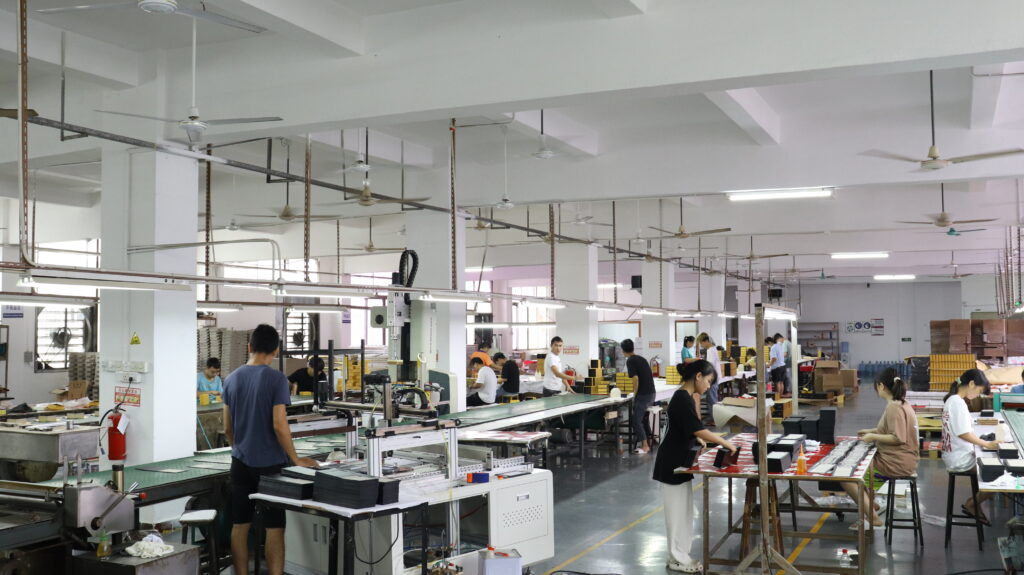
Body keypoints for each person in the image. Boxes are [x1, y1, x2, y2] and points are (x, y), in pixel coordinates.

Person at [223, 325, 319, 575]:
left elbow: (227, 428)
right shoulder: (276, 379)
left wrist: (239, 448)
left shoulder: (230, 379)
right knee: (274, 527)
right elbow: (279, 425)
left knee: (240, 524)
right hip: (270, 466)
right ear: (276, 351)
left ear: (249, 347)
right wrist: (295, 458)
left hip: (240, 463)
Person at [653, 360, 737, 573]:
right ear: (698, 376)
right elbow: (697, 428)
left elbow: (688, 428)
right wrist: (725, 442)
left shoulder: (686, 397)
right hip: (671, 463)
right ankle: (676, 557)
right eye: (708, 381)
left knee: (685, 513)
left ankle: (681, 554)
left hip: (680, 462)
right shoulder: (682, 398)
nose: (709, 386)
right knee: (676, 514)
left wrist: (695, 437)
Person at [836, 368, 920, 530]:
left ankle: (872, 517)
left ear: (881, 386)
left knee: (847, 476)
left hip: (896, 463)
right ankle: (871, 504)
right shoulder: (901, 404)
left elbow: (898, 437)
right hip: (903, 458)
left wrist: (873, 437)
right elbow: (892, 430)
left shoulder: (893, 408)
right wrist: (871, 431)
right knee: (858, 464)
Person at [942, 368, 999, 526]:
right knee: (998, 473)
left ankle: (974, 501)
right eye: (979, 390)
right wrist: (986, 444)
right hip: (959, 459)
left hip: (955, 454)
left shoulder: (953, 400)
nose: (979, 395)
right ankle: (972, 503)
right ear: (972, 384)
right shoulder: (957, 402)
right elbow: (963, 433)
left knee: (994, 465)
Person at [622, 339, 657, 454]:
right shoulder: (641, 358)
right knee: (643, 419)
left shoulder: (630, 361)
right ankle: (649, 442)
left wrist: (634, 394)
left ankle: (645, 446)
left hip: (644, 395)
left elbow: (635, 378)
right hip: (652, 393)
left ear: (623, 351)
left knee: (636, 421)